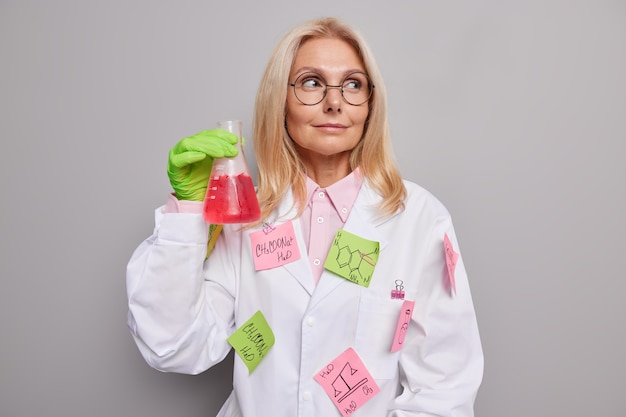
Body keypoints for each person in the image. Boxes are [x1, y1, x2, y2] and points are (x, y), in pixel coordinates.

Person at [126, 17, 483, 417]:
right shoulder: (246, 218)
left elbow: (444, 384)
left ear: (370, 104)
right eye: (312, 82)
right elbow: (174, 345)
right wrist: (187, 213)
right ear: (280, 100)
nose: (334, 102)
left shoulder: (418, 218)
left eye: (352, 84)